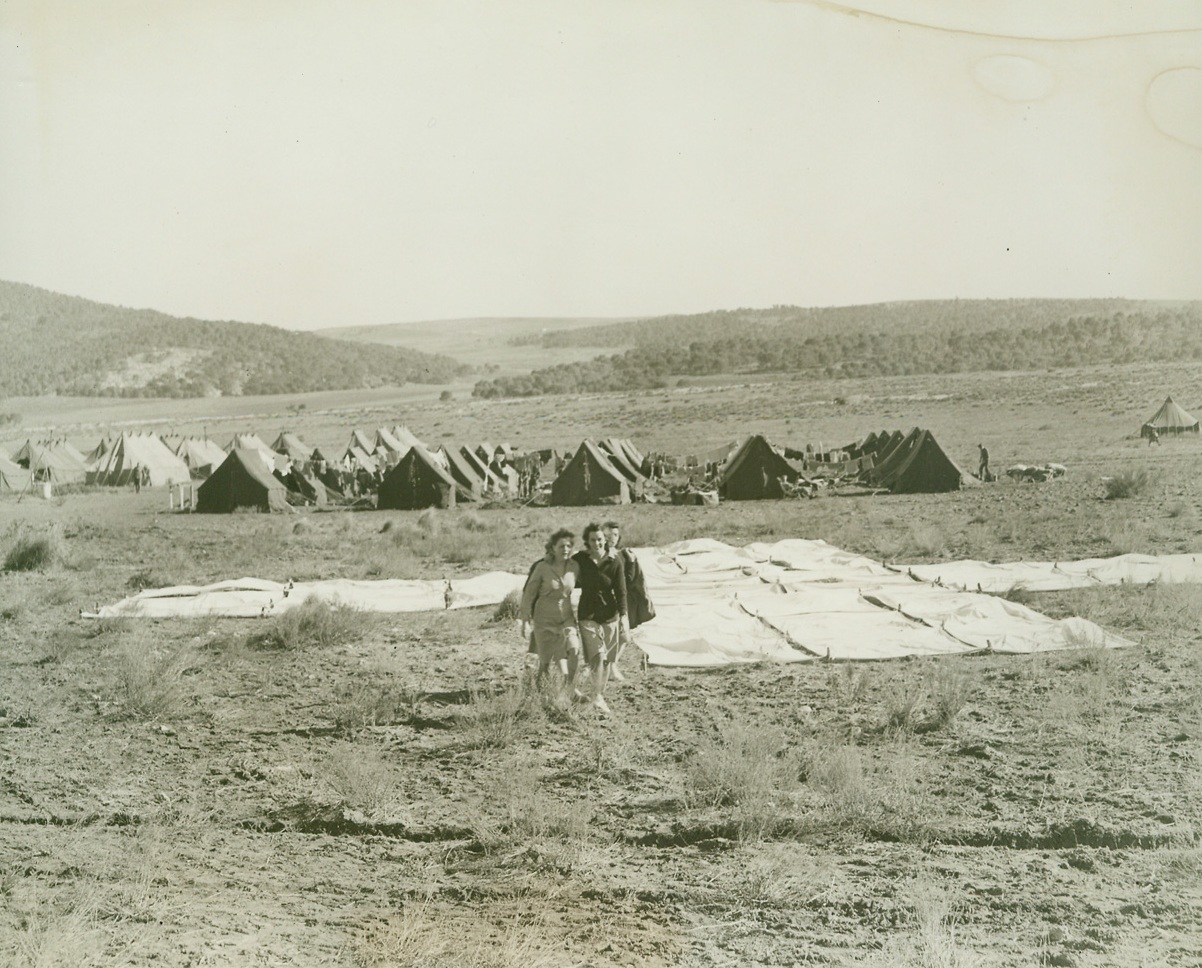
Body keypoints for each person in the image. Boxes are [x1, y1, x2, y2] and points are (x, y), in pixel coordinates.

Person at [572, 522, 627, 714]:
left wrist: (624, 617)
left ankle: (598, 693)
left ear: (606, 540)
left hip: (610, 614)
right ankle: (596, 696)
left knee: (607, 660)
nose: (597, 543)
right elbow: (565, 574)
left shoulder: (615, 561)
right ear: (587, 542)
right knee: (598, 656)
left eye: (600, 540)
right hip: (587, 613)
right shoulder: (580, 559)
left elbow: (621, 592)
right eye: (593, 540)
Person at [519, 528, 582, 693]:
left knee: (573, 650)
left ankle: (570, 688)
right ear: (552, 547)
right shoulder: (542, 567)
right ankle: (539, 692)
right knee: (545, 662)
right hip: (544, 619)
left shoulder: (575, 567)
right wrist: (525, 620)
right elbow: (529, 593)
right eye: (561, 546)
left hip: (566, 617)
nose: (566, 549)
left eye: (569, 546)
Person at [602, 521, 654, 681]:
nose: (612, 539)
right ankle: (606, 667)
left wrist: (631, 563)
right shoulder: (601, 557)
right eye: (608, 535)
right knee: (612, 637)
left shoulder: (622, 555)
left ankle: (610, 666)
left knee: (623, 637)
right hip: (605, 602)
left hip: (620, 602)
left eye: (615, 535)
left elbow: (628, 581)